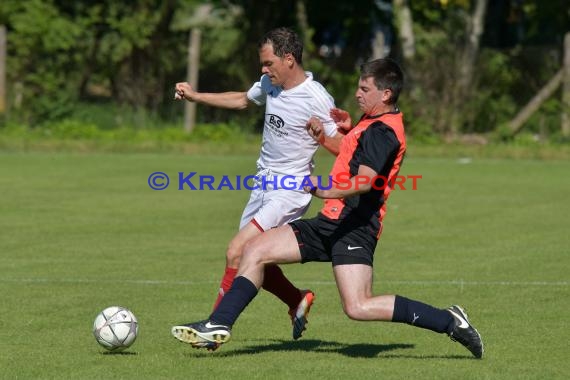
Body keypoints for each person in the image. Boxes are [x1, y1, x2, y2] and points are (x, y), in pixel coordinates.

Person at [170, 58, 484, 359]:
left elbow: (365, 181)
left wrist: (322, 189)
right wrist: (329, 135)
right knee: (253, 250)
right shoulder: (372, 122)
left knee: (358, 307)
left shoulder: (383, 131)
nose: (358, 94)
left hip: (355, 227)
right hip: (329, 222)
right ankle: (218, 324)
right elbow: (351, 153)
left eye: (364, 89)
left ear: (385, 93)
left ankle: (449, 321)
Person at [171, 27, 344, 348]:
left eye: (268, 64)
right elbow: (241, 99)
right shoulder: (270, 84)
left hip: (290, 189)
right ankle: (297, 298)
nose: (263, 71)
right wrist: (196, 96)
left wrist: (322, 136)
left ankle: (214, 327)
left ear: (289, 59)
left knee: (236, 250)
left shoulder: (316, 97)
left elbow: (346, 146)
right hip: (262, 184)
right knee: (252, 255)